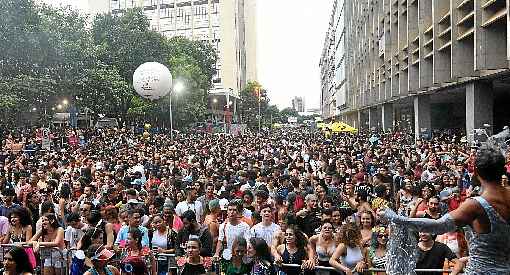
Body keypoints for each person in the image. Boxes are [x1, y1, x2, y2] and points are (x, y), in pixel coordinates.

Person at [380, 145, 510, 274]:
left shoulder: (475, 205)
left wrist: (397, 219)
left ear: (476, 172)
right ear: (503, 169)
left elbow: (439, 226)